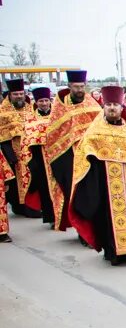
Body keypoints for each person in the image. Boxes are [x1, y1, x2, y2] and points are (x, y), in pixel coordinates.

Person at [69, 86, 126, 266]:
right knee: (110, 218)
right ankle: (115, 252)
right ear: (103, 107)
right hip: (107, 184)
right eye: (109, 104)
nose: (112, 108)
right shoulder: (95, 132)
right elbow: (84, 155)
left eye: (116, 105)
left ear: (122, 108)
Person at [47, 70, 102, 232]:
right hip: (68, 158)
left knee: (92, 193)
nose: (80, 90)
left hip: (90, 157)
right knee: (76, 194)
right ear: (69, 86)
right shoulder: (60, 107)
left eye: (82, 86)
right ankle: (81, 229)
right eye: (76, 86)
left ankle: (91, 228)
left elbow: (100, 126)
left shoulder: (91, 104)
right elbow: (53, 134)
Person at [0, 78, 39, 218]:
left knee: (35, 178)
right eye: (16, 94)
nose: (19, 96)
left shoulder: (31, 109)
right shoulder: (3, 112)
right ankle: (21, 207)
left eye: (21, 93)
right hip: (13, 153)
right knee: (17, 183)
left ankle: (34, 206)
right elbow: (2, 137)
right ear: (10, 95)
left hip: (32, 151)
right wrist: (11, 158)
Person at [20, 87, 58, 225]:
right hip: (40, 158)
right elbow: (26, 140)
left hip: (56, 156)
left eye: (46, 100)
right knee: (45, 189)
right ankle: (51, 218)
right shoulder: (30, 119)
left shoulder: (57, 116)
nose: (44, 103)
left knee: (60, 187)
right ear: (36, 102)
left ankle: (62, 217)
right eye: (41, 101)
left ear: (50, 101)